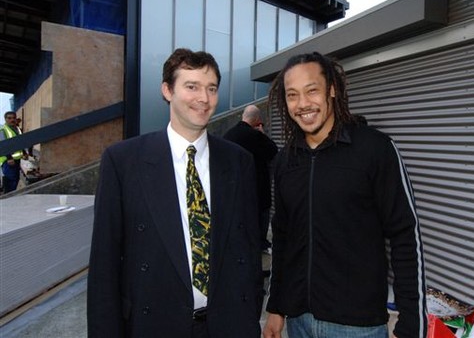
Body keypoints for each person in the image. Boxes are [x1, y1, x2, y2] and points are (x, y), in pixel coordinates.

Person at [87, 48, 263, 337]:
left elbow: (249, 245)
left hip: (229, 325)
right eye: (191, 86)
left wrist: (250, 311)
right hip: (155, 325)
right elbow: (104, 265)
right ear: (167, 90)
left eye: (211, 88)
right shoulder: (123, 161)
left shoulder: (238, 160)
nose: (204, 99)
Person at [262, 52, 428, 338]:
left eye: (311, 90)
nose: (302, 104)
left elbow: (405, 234)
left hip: (357, 327)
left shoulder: (375, 149)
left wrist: (412, 323)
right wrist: (275, 307)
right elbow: (283, 240)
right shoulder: (285, 161)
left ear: (332, 90)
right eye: (292, 95)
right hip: (299, 321)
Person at [224, 105, 278, 253]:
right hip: (257, 185)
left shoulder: (228, 135)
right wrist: (263, 134)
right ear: (256, 120)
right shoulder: (256, 136)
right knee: (261, 214)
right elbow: (273, 151)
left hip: (235, 185)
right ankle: (262, 244)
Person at [0, 111, 28, 193]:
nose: (12, 120)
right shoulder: (3, 130)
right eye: (9, 118)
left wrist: (24, 153)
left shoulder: (17, 129)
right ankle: (7, 200)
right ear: (5, 119)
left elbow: (20, 143)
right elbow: (3, 145)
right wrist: (9, 158)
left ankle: (10, 199)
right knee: (10, 181)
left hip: (16, 160)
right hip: (8, 161)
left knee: (15, 179)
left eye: (13, 118)